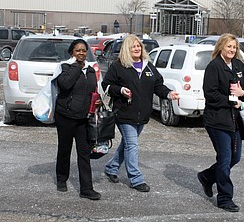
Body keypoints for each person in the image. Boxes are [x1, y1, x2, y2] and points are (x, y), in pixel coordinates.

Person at [101, 34, 179, 192]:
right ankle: (136, 179)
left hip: (142, 114)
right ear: (127, 50)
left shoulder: (148, 66)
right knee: (132, 144)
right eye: (132, 47)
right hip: (124, 113)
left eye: (138, 46)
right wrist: (121, 90)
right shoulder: (119, 66)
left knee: (128, 145)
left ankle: (111, 168)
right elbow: (106, 85)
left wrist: (169, 94)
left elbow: (158, 86)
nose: (136, 49)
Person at [197, 33, 244, 212]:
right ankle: (225, 198)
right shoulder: (214, 67)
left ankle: (206, 177)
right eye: (229, 47)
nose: (232, 50)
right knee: (225, 159)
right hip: (217, 120)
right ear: (221, 47)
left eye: (234, 47)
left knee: (235, 157)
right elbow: (210, 95)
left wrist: (242, 94)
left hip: (235, 120)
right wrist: (231, 99)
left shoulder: (238, 65)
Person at [55, 39, 101, 200]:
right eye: (78, 51)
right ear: (71, 53)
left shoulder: (90, 69)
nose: (81, 53)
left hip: (83, 118)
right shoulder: (65, 67)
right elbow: (65, 85)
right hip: (65, 116)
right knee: (65, 149)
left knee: (84, 153)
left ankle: (86, 189)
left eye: (84, 50)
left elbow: (93, 89)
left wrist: (97, 99)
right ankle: (61, 179)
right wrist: (75, 66)